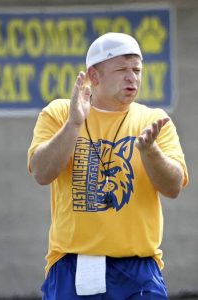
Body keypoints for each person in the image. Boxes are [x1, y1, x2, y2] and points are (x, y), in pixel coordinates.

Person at [27, 32, 188, 300]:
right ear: (94, 76)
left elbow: (173, 187)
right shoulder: (59, 112)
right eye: (122, 69)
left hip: (138, 267)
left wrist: (150, 152)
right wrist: (74, 124)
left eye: (137, 70)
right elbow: (41, 173)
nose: (132, 77)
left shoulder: (155, 120)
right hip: (72, 264)